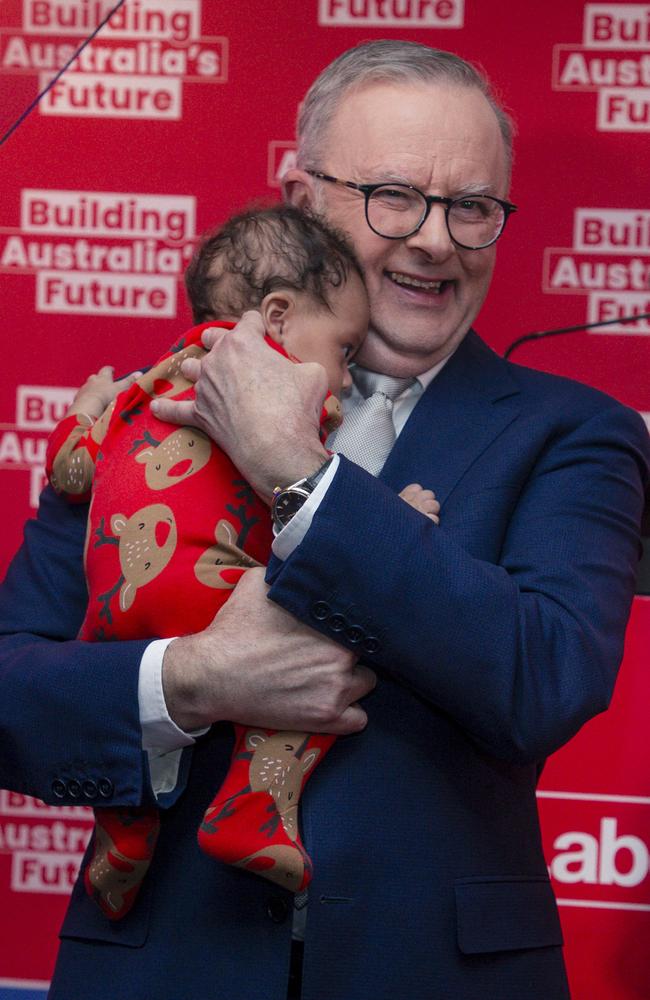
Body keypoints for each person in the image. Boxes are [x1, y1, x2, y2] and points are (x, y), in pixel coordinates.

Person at [0, 39, 647, 1000]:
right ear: (304, 207)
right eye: (395, 196)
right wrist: (188, 682)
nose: (436, 240)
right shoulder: (143, 412)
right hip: (163, 969)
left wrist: (298, 471)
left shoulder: (576, 434)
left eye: (472, 207)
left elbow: (543, 678)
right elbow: (11, 691)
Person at [44, 204, 439, 921]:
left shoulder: (140, 390)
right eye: (344, 350)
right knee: (310, 652)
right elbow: (317, 505)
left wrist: (83, 412)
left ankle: (124, 833)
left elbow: (72, 472)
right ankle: (253, 806)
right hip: (211, 600)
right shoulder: (284, 397)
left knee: (136, 733)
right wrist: (398, 519)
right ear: (279, 320)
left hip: (109, 622)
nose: (346, 380)